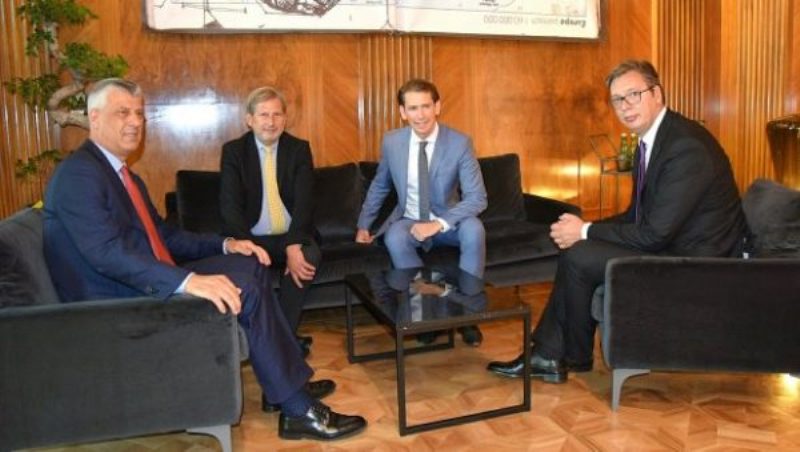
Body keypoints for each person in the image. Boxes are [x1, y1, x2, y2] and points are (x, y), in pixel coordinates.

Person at [43, 78, 366, 441]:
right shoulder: (80, 175)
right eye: (123, 113)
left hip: (147, 277)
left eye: (139, 113)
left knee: (250, 264)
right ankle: (296, 408)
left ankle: (285, 386)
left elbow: (166, 236)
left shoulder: (122, 174)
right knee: (245, 284)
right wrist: (187, 281)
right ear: (94, 117)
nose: (134, 121)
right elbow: (106, 254)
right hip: (117, 302)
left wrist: (227, 245)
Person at [487, 60, 747, 383]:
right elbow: (635, 216)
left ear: (657, 94)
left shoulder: (686, 148)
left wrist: (584, 230)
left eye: (633, 95)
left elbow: (653, 234)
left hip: (700, 262)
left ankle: (559, 356)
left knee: (580, 254)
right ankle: (550, 355)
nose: (625, 106)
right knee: (578, 249)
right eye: (617, 100)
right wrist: (582, 229)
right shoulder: (650, 142)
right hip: (674, 244)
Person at [355, 78, 487, 346]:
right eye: (413, 108)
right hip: (410, 220)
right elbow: (380, 185)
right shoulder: (392, 142)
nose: (421, 115)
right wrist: (364, 225)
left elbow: (477, 197)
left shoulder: (459, 143)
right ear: (403, 112)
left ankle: (467, 315)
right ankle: (425, 315)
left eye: (426, 106)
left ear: (437, 107)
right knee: (395, 237)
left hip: (448, 221)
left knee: (474, 229)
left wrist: (438, 224)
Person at [219, 87, 320, 357]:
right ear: (249, 119)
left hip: (291, 236)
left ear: (285, 119)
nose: (271, 122)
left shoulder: (298, 149)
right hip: (252, 239)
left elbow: (305, 203)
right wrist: (248, 245)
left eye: (277, 115)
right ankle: (284, 343)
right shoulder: (234, 152)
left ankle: (279, 342)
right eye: (264, 115)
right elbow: (230, 207)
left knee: (307, 257)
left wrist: (294, 244)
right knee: (243, 264)